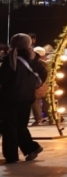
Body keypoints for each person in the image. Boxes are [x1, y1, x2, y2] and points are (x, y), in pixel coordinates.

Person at [0, 33, 45, 163]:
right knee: (20, 126)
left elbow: (3, 77)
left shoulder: (10, 59)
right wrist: (34, 85)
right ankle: (31, 148)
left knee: (9, 127)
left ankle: (12, 156)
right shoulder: (34, 58)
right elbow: (43, 73)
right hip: (27, 97)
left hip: (10, 97)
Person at [28, 47, 48, 126]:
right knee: (47, 102)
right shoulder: (47, 62)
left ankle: (38, 119)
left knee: (35, 102)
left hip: (37, 84)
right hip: (46, 84)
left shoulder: (36, 62)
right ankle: (52, 117)